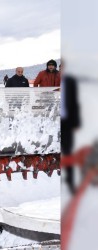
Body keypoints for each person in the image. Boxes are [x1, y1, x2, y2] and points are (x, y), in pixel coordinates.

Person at [60, 62, 81, 195]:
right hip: (53, 121)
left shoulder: (70, 81)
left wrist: (76, 122)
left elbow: (75, 102)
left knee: (68, 151)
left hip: (67, 121)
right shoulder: (53, 80)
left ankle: (70, 181)